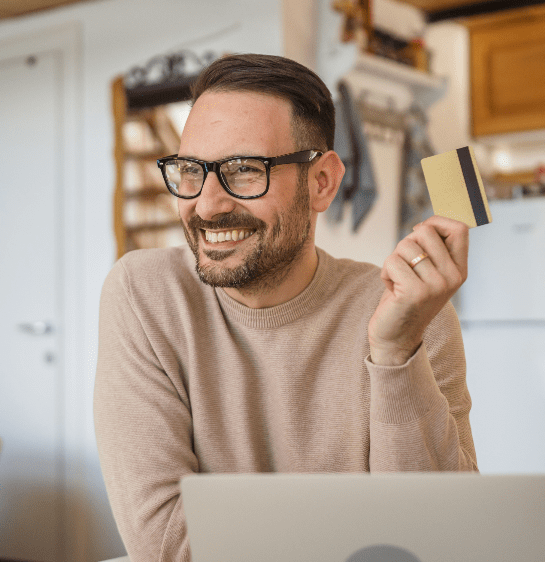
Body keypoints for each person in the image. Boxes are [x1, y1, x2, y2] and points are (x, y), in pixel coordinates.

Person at [94, 53, 478, 562]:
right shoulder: (144, 295)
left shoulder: (410, 314)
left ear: (321, 182)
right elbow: (168, 547)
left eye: (244, 171)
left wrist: (394, 354)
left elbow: (437, 542)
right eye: (191, 171)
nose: (206, 206)